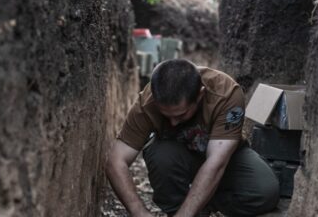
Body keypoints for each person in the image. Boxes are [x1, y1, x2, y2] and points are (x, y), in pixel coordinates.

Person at [106, 59, 280, 217]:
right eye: (166, 115)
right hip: (177, 156)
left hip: (225, 158)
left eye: (180, 115)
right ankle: (178, 207)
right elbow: (116, 161)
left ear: (200, 95)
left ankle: (201, 205)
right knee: (161, 155)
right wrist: (139, 212)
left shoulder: (226, 93)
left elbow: (216, 163)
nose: (173, 123)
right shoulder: (147, 102)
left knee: (265, 191)